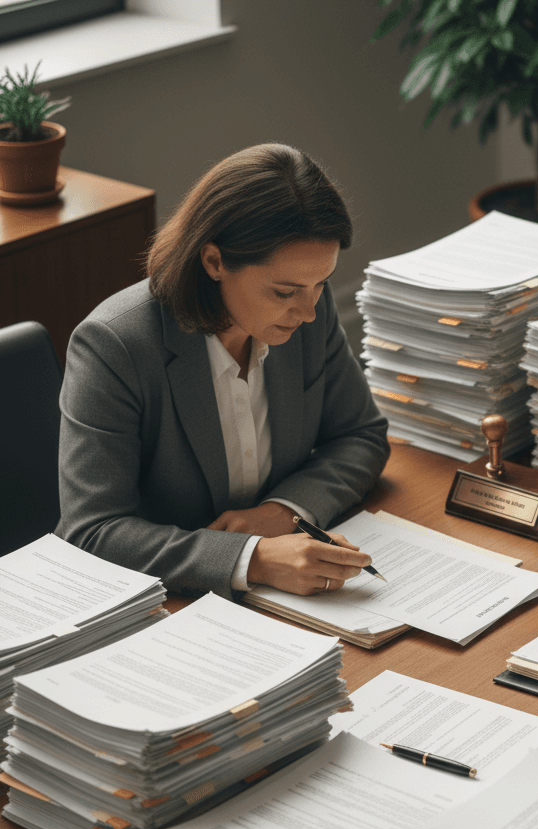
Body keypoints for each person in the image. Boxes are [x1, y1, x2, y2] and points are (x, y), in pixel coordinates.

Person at [58, 144, 390, 600]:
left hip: (275, 600)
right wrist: (252, 559)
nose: (309, 312)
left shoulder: (308, 306)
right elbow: (93, 531)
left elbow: (361, 436)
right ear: (214, 262)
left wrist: (285, 511)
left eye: (321, 284)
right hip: (160, 604)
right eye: (284, 291)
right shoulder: (114, 345)